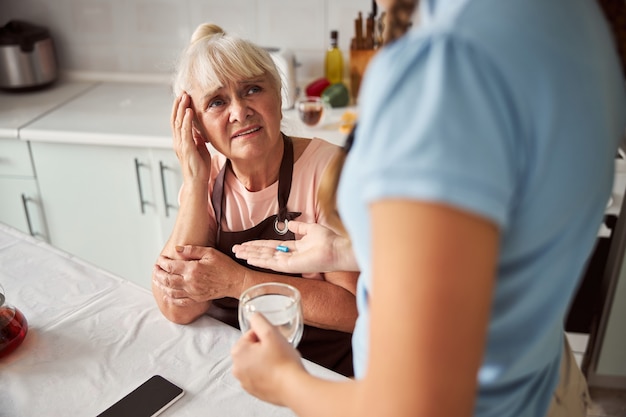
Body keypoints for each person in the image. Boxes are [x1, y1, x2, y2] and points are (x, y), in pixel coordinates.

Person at [226, 0, 626, 416]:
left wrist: (285, 381)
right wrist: (348, 251)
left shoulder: (446, 69)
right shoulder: (573, 18)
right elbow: (500, 250)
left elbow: (415, 409)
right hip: (547, 386)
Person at [151, 23, 358, 377]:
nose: (239, 111)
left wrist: (239, 281)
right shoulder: (207, 177)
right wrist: (196, 181)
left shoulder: (330, 174)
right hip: (230, 368)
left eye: (252, 90)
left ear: (278, 96)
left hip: (319, 373)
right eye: (217, 101)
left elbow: (354, 311)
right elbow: (178, 309)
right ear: (195, 126)